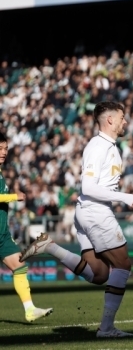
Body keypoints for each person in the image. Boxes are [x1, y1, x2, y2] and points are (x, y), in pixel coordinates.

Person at [21, 101, 133, 338]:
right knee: (123, 265)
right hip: (96, 212)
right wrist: (124, 197)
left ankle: (51, 247)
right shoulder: (99, 146)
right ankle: (106, 329)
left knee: (99, 274)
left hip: (86, 212)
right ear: (110, 120)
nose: (125, 121)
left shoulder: (108, 146)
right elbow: (87, 186)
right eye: (122, 117)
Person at [0, 132, 53, 322]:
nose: (3, 152)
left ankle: (30, 310)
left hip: (2, 235)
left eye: (5, 148)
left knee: (20, 267)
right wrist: (15, 196)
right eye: (0, 148)